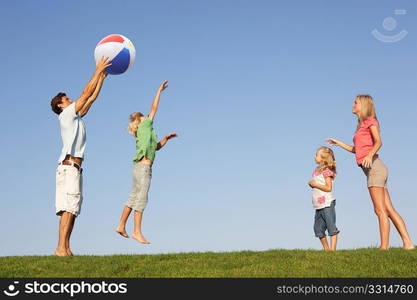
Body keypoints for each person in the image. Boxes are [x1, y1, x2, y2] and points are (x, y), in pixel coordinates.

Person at [327, 94, 414, 250]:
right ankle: (408, 243)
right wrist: (338, 143)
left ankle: (384, 247)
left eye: (355, 102)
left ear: (363, 105)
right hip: (373, 169)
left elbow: (379, 141)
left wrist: (369, 155)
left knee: (379, 210)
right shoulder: (360, 125)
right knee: (388, 209)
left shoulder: (370, 121)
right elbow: (357, 150)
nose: (353, 104)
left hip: (375, 168)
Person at [50, 57, 111, 256]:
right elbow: (85, 94)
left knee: (72, 209)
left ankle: (66, 248)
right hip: (68, 167)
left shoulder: (74, 116)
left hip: (73, 169)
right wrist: (97, 70)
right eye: (66, 99)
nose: (70, 100)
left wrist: (101, 78)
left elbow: (91, 99)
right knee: (68, 209)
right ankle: (61, 248)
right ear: (60, 105)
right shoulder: (66, 114)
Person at [116, 80, 177, 244]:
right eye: (145, 117)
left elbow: (155, 148)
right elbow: (154, 109)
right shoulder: (145, 126)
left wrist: (166, 139)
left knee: (133, 197)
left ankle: (121, 225)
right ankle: (137, 232)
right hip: (143, 169)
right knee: (141, 199)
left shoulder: (144, 134)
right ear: (141, 120)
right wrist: (159, 91)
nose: (149, 118)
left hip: (138, 168)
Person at [308, 146, 339, 251]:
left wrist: (315, 185)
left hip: (327, 203)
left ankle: (332, 250)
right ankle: (326, 249)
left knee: (331, 227)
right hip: (318, 205)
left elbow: (328, 188)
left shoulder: (326, 171)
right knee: (318, 228)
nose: (314, 156)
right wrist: (313, 184)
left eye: (316, 155)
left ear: (323, 158)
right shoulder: (317, 170)